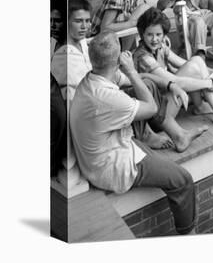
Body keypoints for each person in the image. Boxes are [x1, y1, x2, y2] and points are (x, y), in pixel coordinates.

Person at [70, 33, 199, 235]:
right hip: (113, 166)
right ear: (118, 60)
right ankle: (188, 236)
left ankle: (162, 136)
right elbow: (152, 108)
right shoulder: (106, 97)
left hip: (112, 144)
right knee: (182, 180)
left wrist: (170, 85)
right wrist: (130, 70)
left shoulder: (93, 77)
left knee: (145, 85)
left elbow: (143, 80)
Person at [134, 7, 213, 129]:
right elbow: (175, 82)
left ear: (164, 34)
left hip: (166, 100)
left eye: (158, 34)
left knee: (196, 61)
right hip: (157, 115)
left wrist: (211, 72)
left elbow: (185, 63)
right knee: (192, 68)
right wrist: (208, 82)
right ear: (142, 34)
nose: (155, 39)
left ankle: (212, 111)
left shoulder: (160, 47)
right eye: (149, 35)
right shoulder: (143, 57)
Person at [51, 0, 92, 101]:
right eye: (50, 20)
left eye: (57, 21)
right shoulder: (52, 44)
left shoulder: (82, 42)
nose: (52, 25)